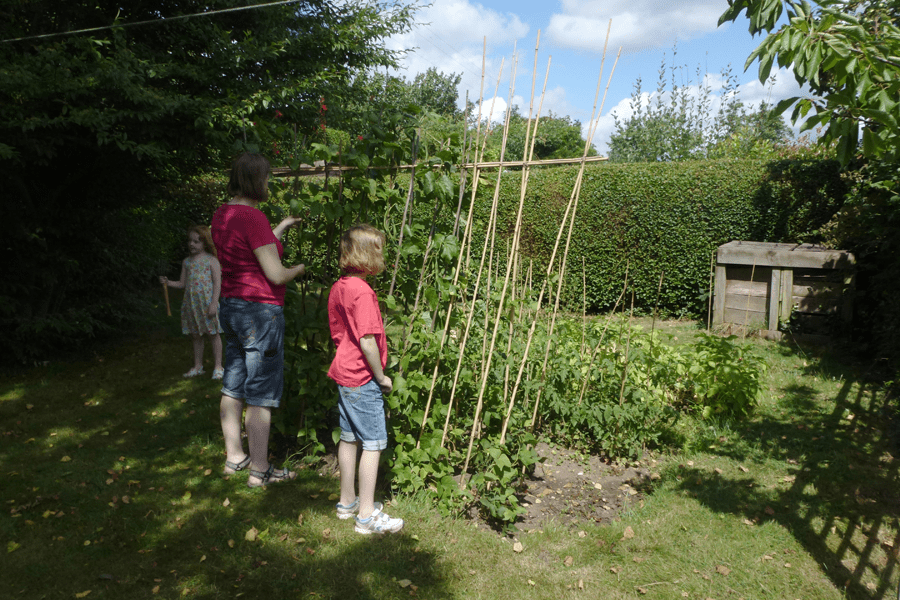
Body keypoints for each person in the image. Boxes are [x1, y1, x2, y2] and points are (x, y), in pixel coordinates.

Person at [211, 152, 305, 487]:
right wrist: (299, 269)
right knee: (261, 391)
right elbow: (276, 274)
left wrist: (280, 227)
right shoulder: (254, 218)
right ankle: (260, 470)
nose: (268, 183)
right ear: (255, 180)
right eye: (265, 178)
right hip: (259, 313)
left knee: (233, 384)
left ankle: (235, 457)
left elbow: (251, 249)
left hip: (232, 307)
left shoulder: (223, 214)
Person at [329, 224, 403, 535]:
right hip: (362, 377)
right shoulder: (362, 292)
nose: (382, 256)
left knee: (349, 438)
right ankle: (367, 516)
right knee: (373, 443)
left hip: (344, 372)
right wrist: (381, 376)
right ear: (366, 256)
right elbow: (367, 340)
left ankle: (347, 502)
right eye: (379, 251)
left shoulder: (340, 286)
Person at [160, 225, 224, 379]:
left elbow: (217, 283)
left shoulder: (211, 261)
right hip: (192, 305)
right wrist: (168, 282)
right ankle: (198, 366)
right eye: (190, 241)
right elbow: (182, 283)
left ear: (205, 243)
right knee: (196, 336)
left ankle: (218, 366)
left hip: (207, 304)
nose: (192, 244)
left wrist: (214, 303)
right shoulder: (187, 262)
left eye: (196, 241)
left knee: (213, 334)